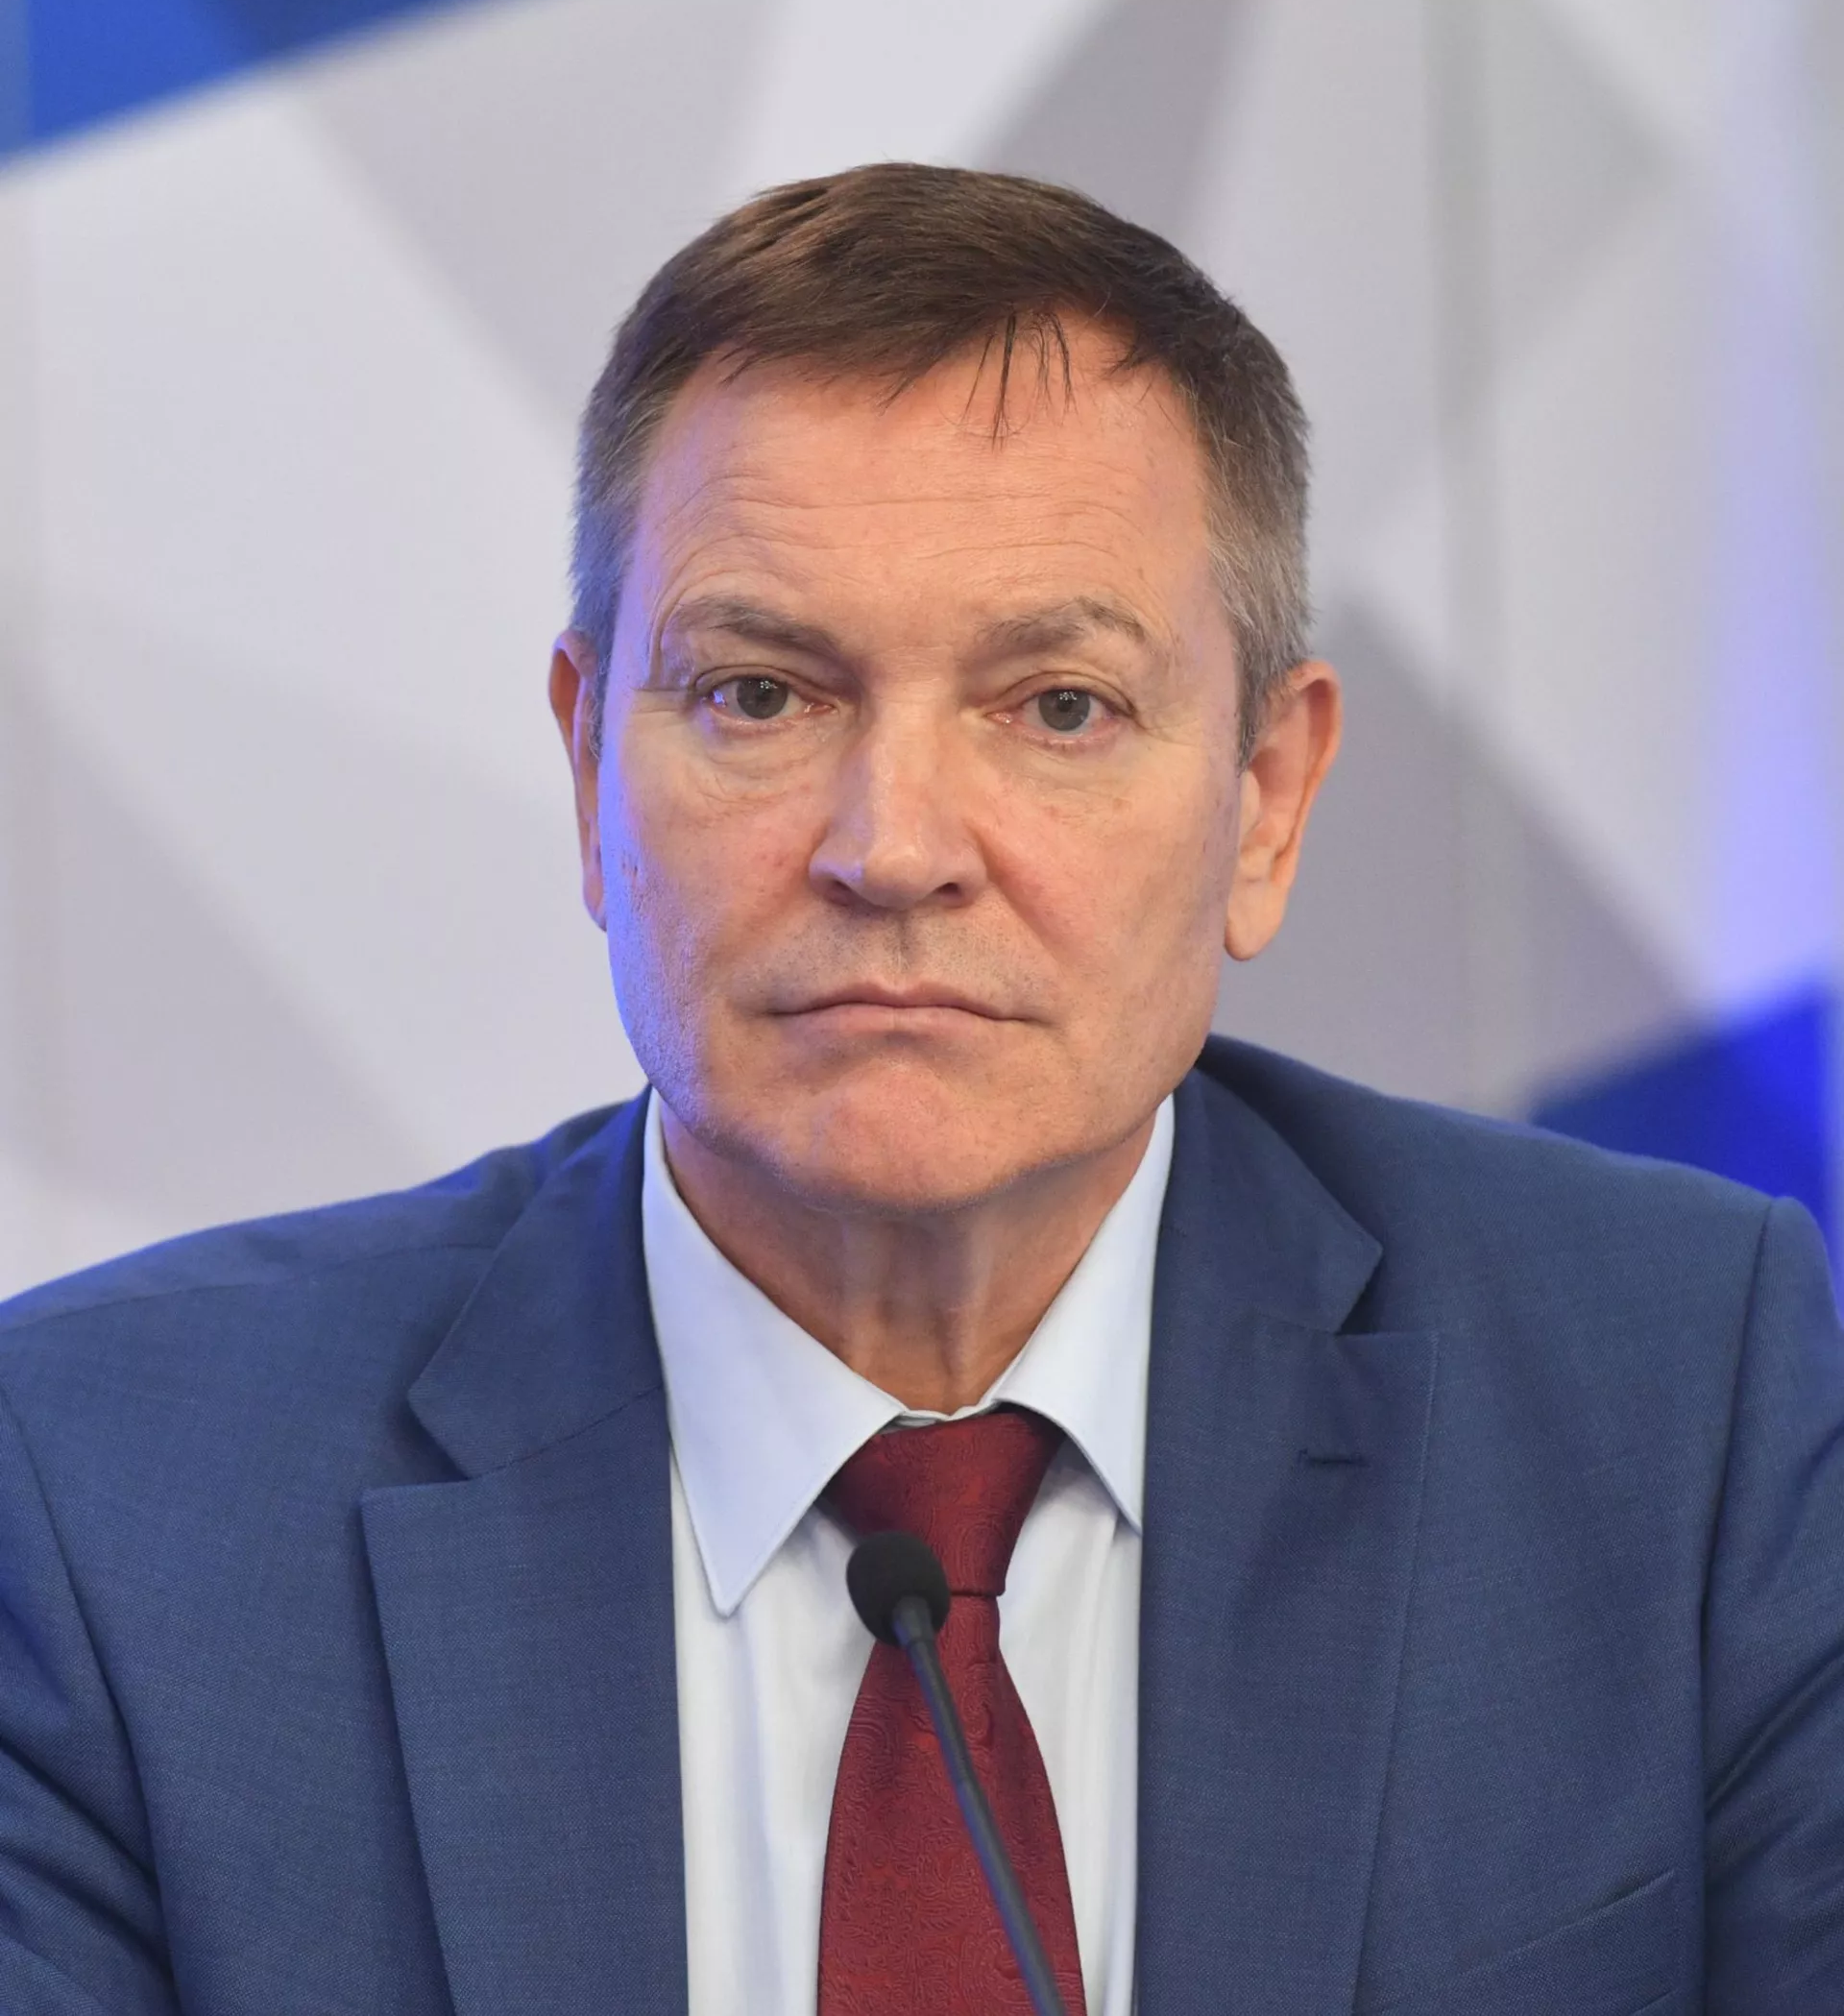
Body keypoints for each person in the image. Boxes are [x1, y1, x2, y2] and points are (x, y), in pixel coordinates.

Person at [1, 162, 1839, 2016]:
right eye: (759, 695)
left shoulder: (1685, 1402)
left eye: (1059, 706)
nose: (892, 849)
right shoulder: (106, 1508)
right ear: (588, 770)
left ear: (1267, 802)